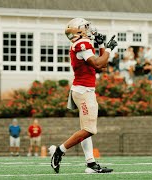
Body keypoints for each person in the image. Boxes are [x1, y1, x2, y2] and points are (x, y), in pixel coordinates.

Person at [49, 18, 117, 174]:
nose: (89, 29)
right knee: (89, 129)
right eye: (86, 27)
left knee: (86, 129)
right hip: (83, 91)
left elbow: (102, 64)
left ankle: (91, 164)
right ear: (78, 30)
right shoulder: (82, 44)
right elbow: (99, 64)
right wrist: (108, 50)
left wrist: (101, 46)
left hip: (84, 90)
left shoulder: (82, 44)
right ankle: (59, 151)